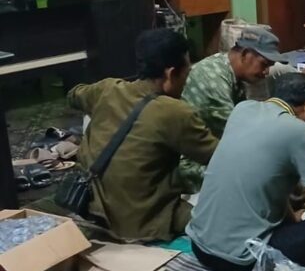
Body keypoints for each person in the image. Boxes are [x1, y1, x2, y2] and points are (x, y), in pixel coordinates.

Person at [186, 73, 305, 271]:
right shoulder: (300, 131)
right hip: (242, 262)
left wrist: (293, 219)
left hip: (199, 246)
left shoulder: (243, 109)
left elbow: (272, 178)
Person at [68, 29, 218, 241]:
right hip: (141, 223)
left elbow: (74, 94)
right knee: (216, 218)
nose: (187, 79)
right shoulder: (175, 112)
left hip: (92, 208)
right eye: (187, 72)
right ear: (171, 73)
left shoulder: (107, 89)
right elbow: (220, 158)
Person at [179, 28, 287, 191]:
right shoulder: (212, 77)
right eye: (264, 65)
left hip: (215, 152)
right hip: (192, 163)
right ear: (245, 54)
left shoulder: (230, 73)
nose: (266, 73)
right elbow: (241, 134)